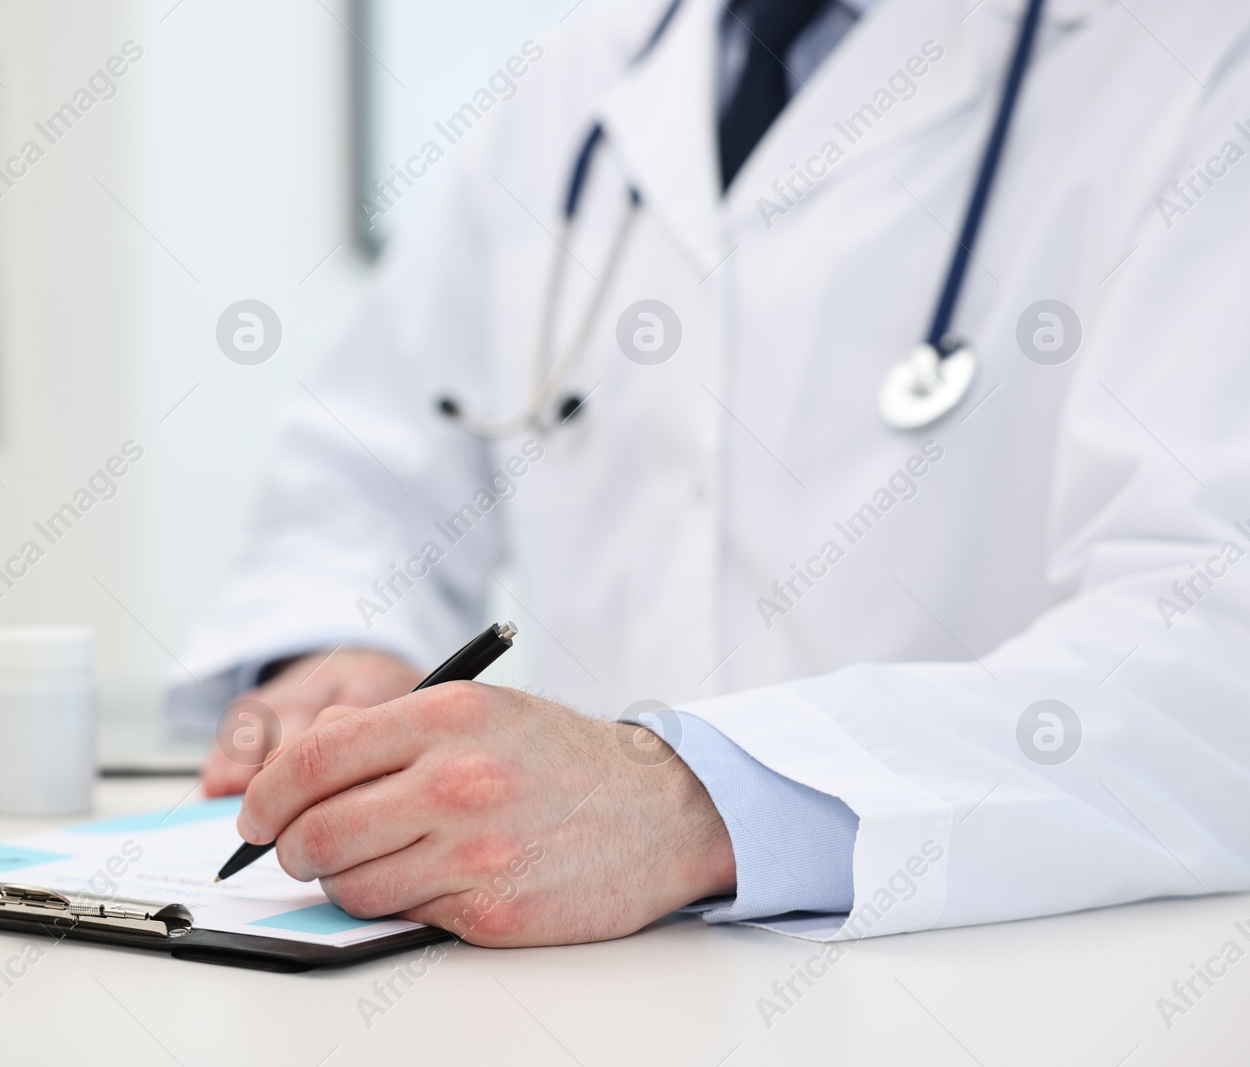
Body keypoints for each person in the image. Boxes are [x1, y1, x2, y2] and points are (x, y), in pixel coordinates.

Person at [173, 0, 1250, 947]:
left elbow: (1212, 647)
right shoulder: (589, 65)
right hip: (573, 979)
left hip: (996, 986)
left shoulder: (1196, 59)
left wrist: (695, 799)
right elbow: (369, 465)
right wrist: (347, 648)